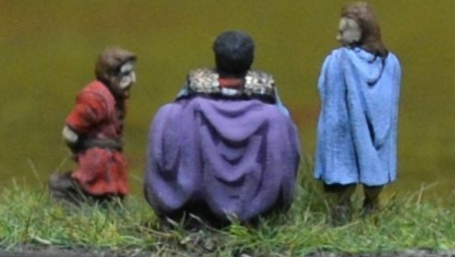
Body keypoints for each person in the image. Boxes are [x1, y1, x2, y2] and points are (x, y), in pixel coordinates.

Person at [145, 31, 300, 225]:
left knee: (168, 114)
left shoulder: (190, 103)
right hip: (254, 201)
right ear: (250, 59)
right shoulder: (270, 111)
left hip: (197, 204)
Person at [314, 2, 402, 221]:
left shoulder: (337, 61)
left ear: (361, 31)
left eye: (344, 31)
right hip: (379, 134)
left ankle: (343, 211)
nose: (338, 37)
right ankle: (371, 208)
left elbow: (327, 94)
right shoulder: (391, 63)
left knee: (344, 174)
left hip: (344, 132)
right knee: (374, 173)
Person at [49, 46, 137, 203]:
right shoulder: (95, 99)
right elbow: (70, 132)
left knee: (112, 192)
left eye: (132, 73)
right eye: (125, 74)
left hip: (112, 158)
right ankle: (66, 193)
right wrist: (79, 149)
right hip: (98, 160)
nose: (133, 79)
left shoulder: (117, 98)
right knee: (95, 188)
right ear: (109, 75)